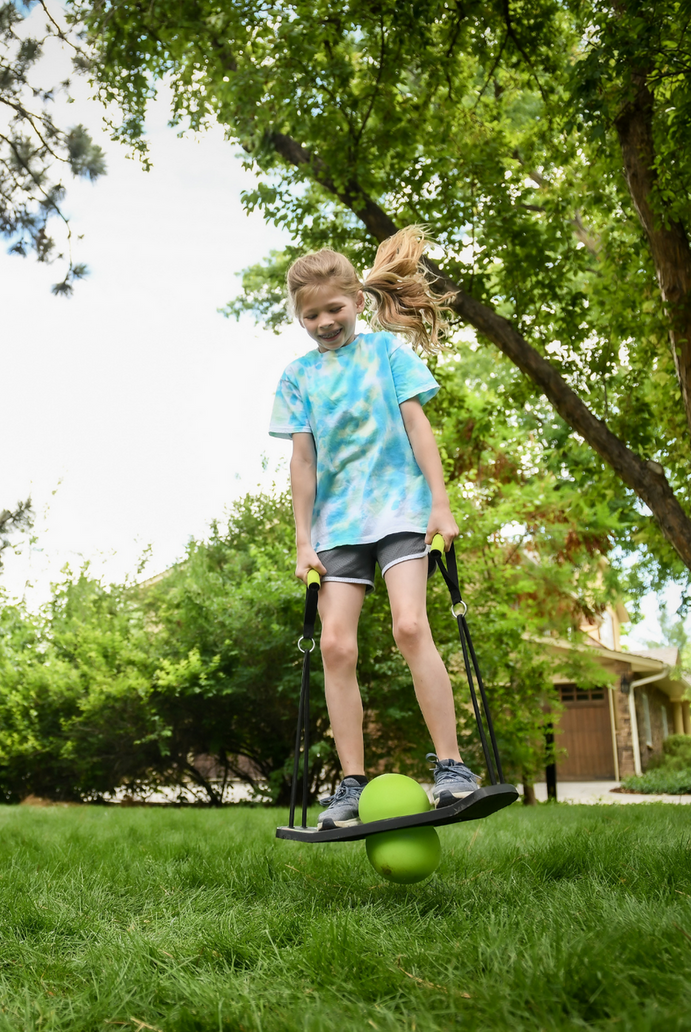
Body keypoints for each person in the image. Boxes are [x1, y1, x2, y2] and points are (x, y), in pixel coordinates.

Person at [268, 226, 480, 829]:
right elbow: (303, 462)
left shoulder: (388, 354)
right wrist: (304, 541)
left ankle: (452, 768)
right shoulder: (297, 378)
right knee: (335, 646)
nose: (324, 322)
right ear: (300, 318)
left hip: (401, 511)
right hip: (337, 528)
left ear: (357, 301)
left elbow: (418, 429)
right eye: (311, 315)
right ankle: (351, 784)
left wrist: (441, 505)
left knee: (412, 626)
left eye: (333, 308)